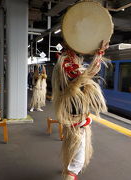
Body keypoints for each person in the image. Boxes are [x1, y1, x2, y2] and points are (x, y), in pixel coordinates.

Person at [52, 41, 109, 180]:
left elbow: (85, 75)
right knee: (78, 160)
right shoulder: (67, 65)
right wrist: (99, 53)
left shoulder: (62, 64)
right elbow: (91, 71)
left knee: (71, 151)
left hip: (72, 120)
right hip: (76, 123)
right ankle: (69, 175)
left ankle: (68, 171)